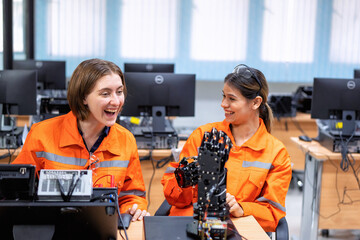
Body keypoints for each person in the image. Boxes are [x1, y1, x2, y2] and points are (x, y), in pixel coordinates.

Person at [12, 58, 149, 221]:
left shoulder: (126, 139)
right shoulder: (41, 134)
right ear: (83, 98)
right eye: (105, 93)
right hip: (53, 227)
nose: (116, 101)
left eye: (119, 92)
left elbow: (132, 196)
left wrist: (134, 209)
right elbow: (16, 191)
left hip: (102, 227)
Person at [161, 64, 292, 232]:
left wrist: (242, 209)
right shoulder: (203, 135)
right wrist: (184, 179)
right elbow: (174, 197)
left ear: (256, 102)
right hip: (189, 225)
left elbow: (273, 213)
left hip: (235, 229)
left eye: (232, 99)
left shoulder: (276, 153)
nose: (223, 104)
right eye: (223, 96)